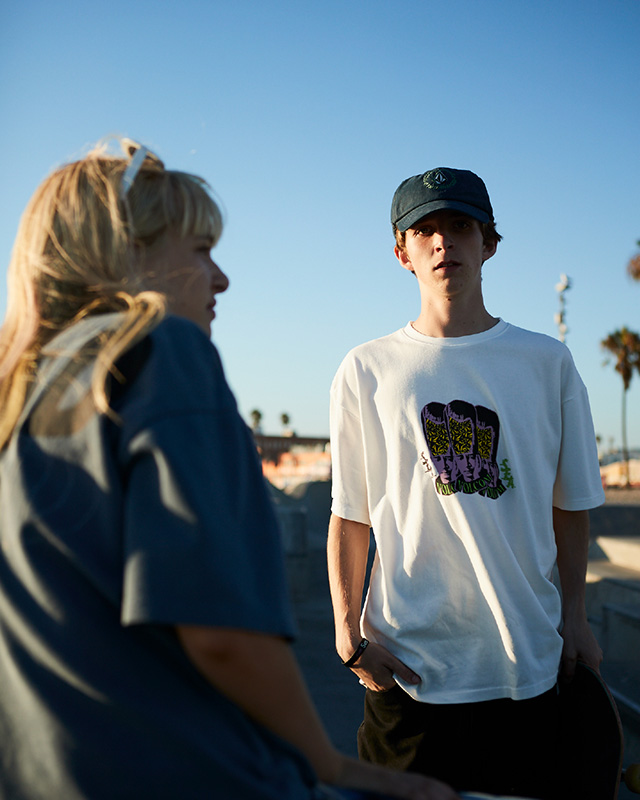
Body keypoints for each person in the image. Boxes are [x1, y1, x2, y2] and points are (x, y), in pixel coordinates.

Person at [0, 141, 458, 800]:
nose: (221, 279)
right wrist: (329, 766)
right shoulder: (161, 353)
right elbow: (222, 636)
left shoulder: (26, 388)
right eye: (200, 251)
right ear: (130, 252)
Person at [327, 167, 605, 798]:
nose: (442, 242)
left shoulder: (547, 362)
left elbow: (571, 505)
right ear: (402, 252)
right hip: (407, 670)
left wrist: (577, 617)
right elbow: (351, 514)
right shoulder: (367, 368)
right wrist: (348, 635)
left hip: (526, 662)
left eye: (459, 225)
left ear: (489, 242)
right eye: (423, 230)